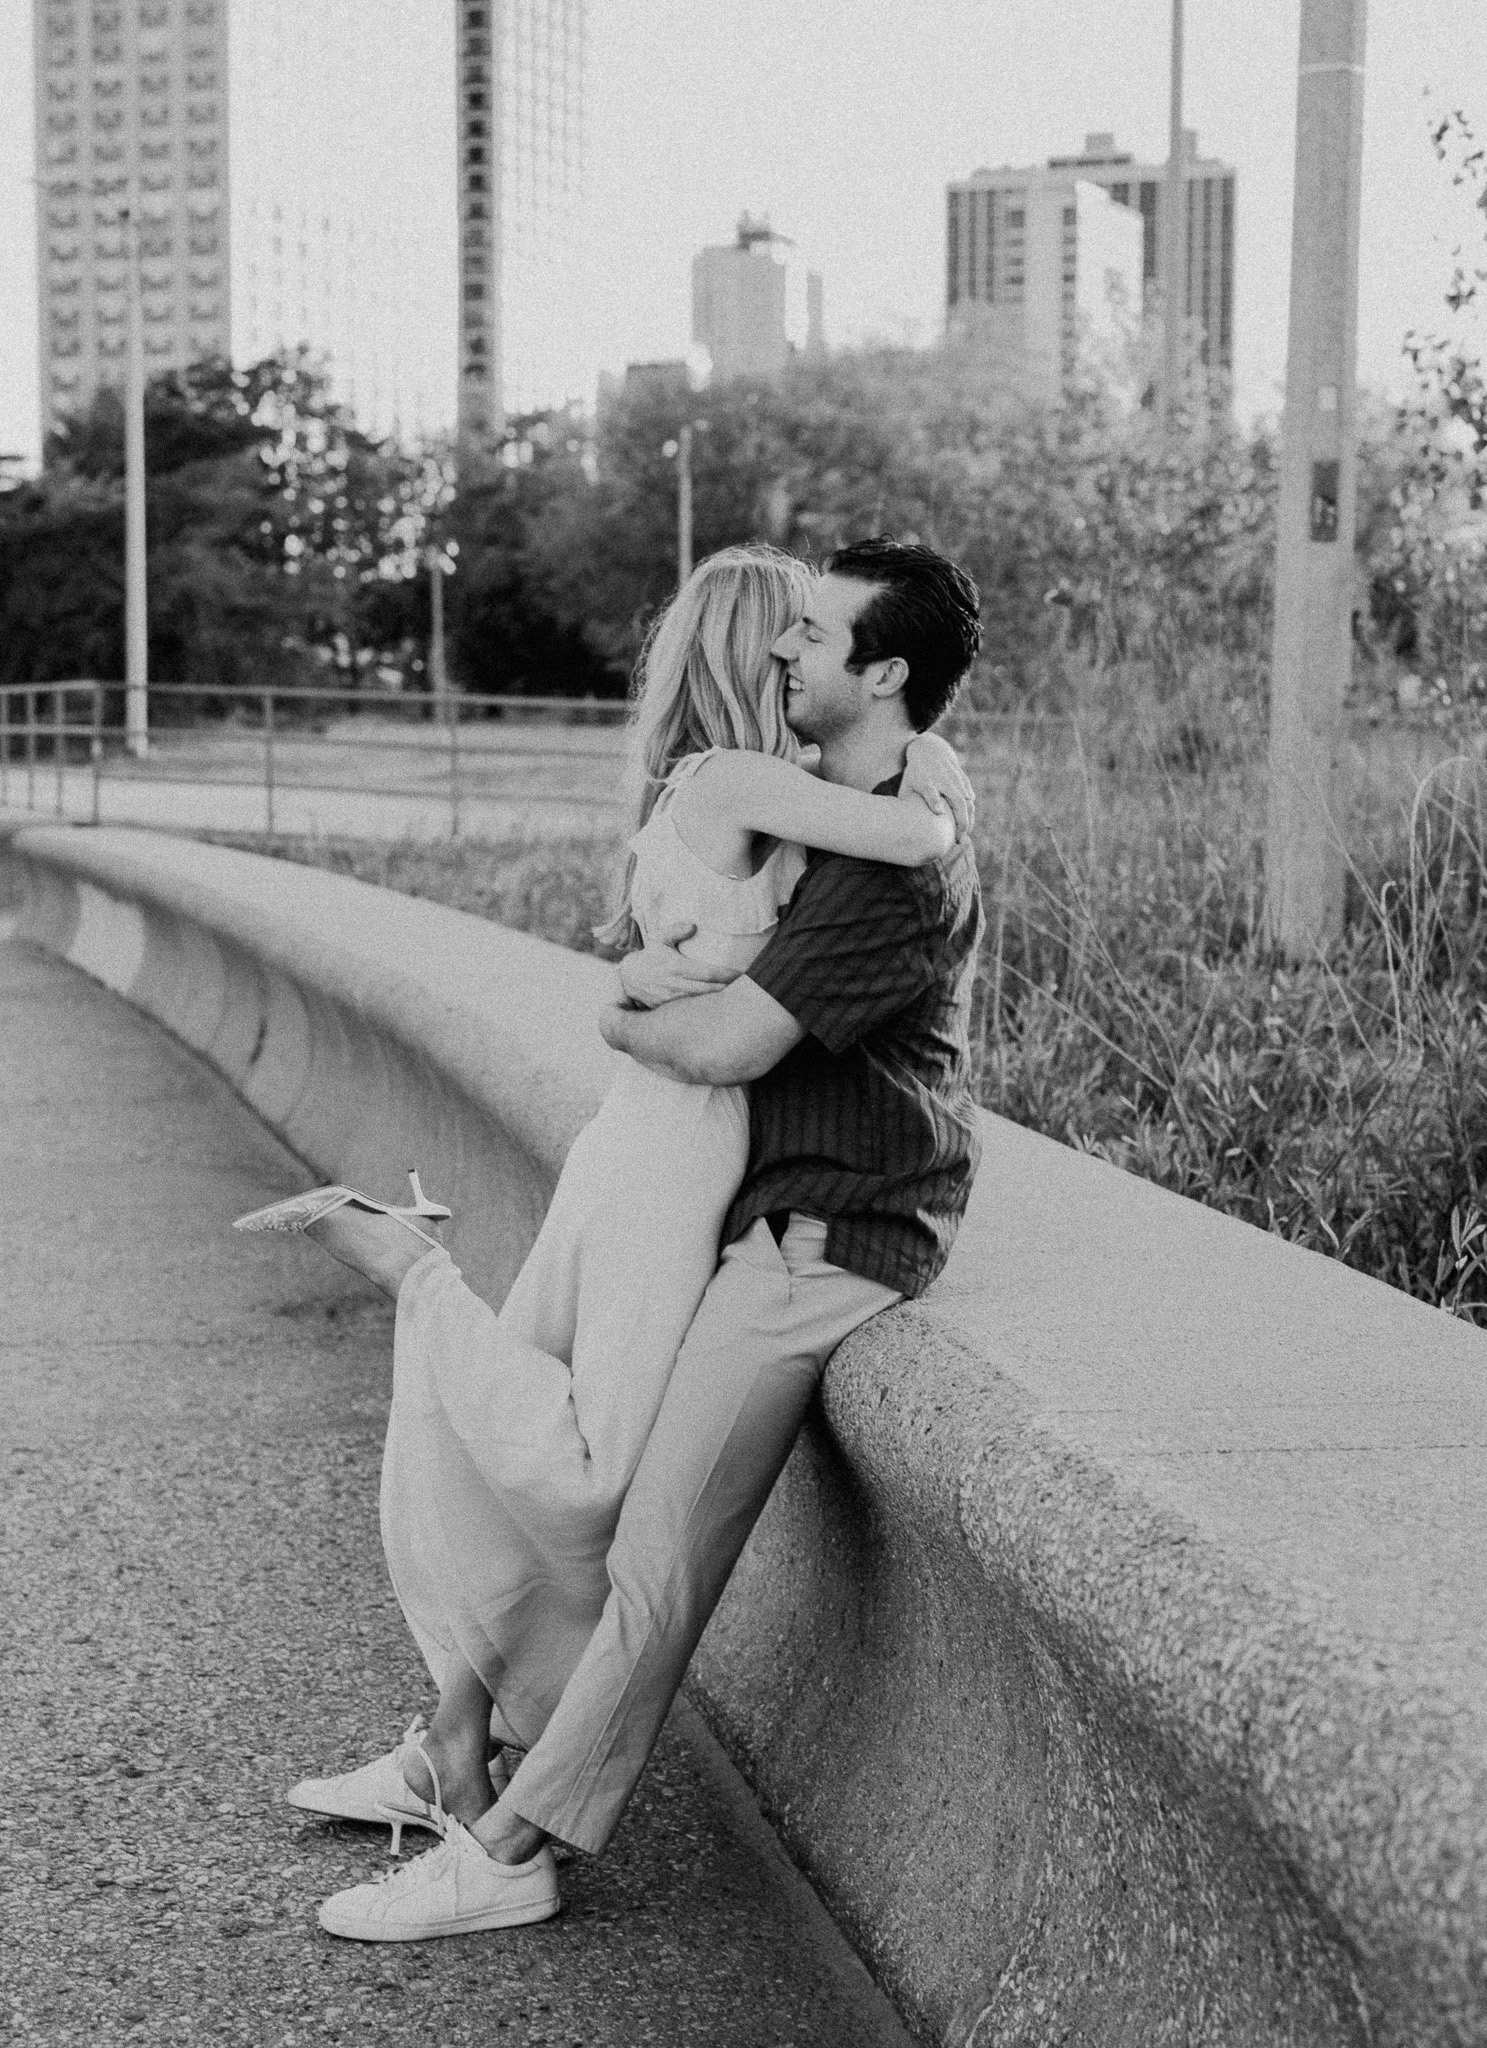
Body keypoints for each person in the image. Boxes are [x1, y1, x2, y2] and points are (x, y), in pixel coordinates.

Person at [235, 540, 981, 1938]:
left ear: (881, 673)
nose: (785, 651)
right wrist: (643, 988)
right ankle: (466, 1752)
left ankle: (513, 1845)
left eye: (814, 635)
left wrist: (624, 1005)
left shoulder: (887, 859)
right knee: (624, 1514)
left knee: (654, 1554)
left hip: (834, 1239)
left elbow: (720, 1043)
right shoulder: (833, 803)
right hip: (772, 1212)